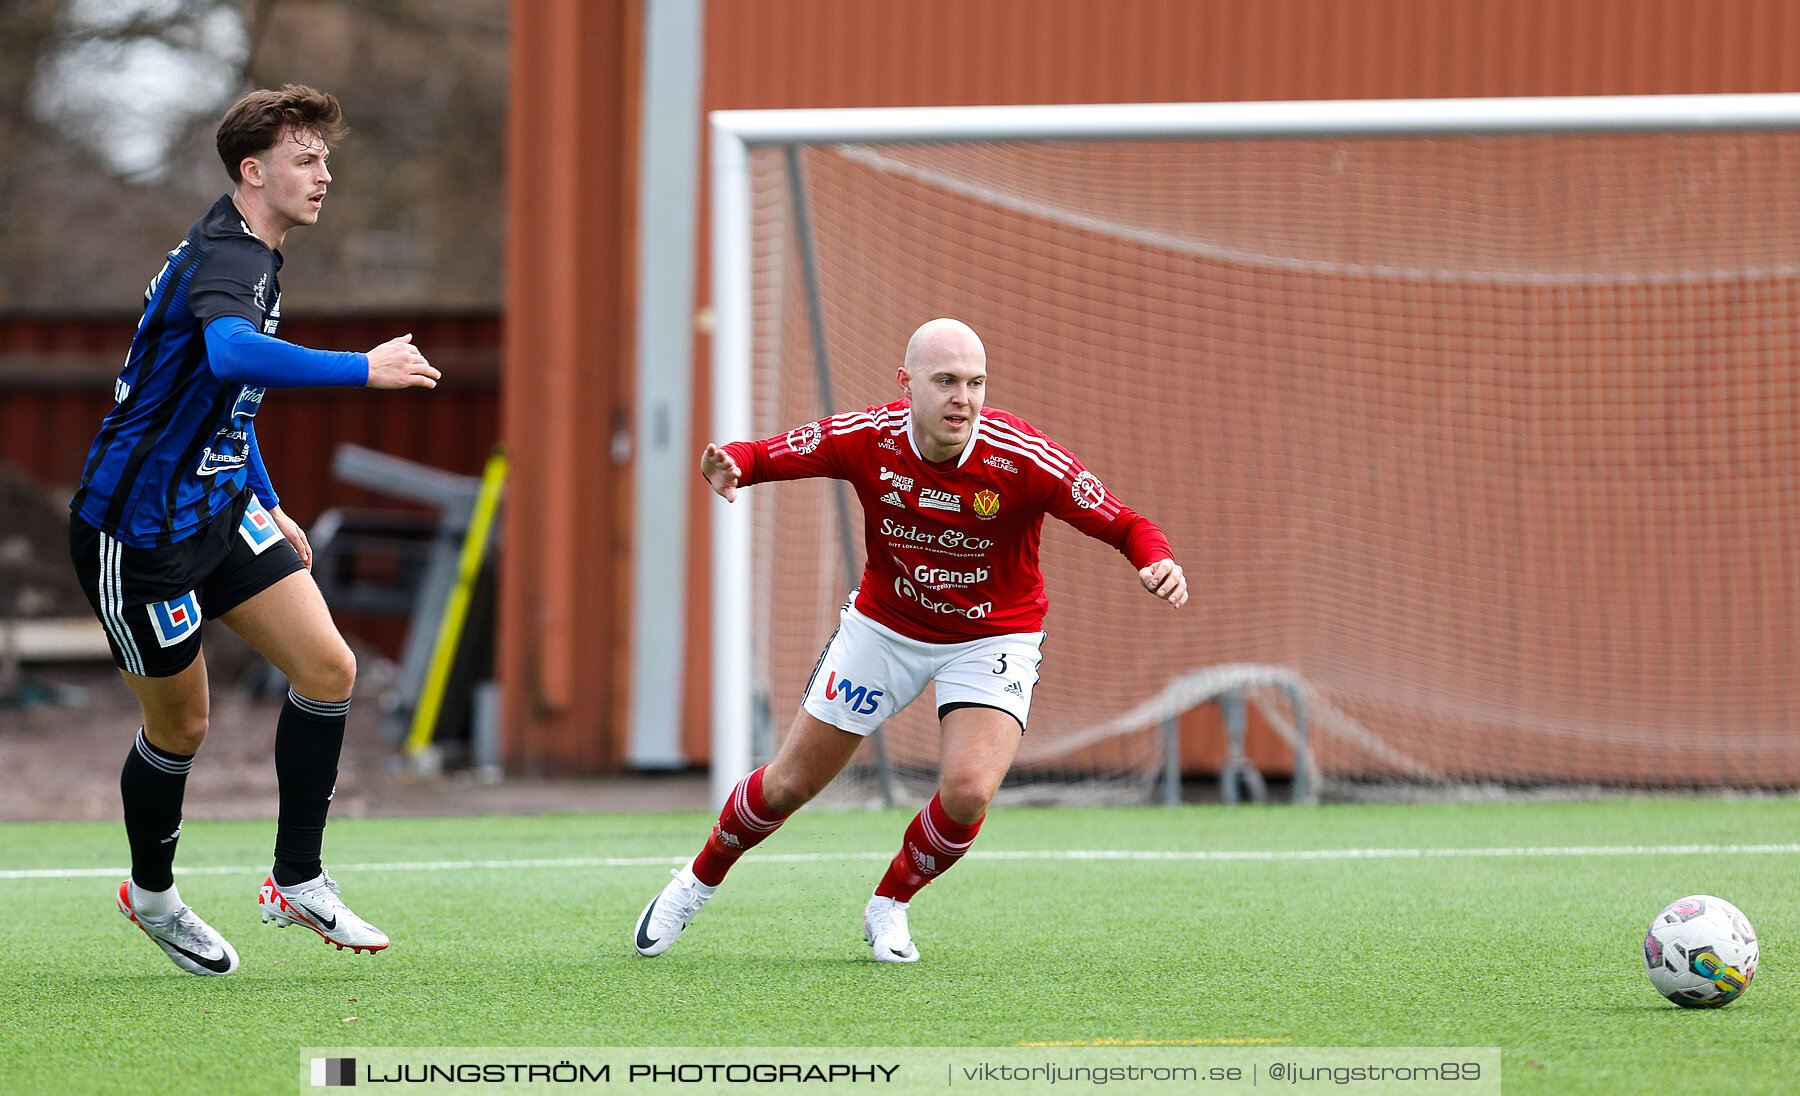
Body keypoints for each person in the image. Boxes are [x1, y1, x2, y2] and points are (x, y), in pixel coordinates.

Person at [634, 317, 1187, 962]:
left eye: (976, 383)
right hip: (884, 632)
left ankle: (889, 904)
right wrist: (735, 464)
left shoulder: (1022, 456)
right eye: (947, 381)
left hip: (992, 637)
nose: (964, 399)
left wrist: (1156, 558)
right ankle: (692, 884)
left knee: (970, 791)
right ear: (907, 384)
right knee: (788, 784)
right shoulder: (870, 438)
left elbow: (1124, 520)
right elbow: (779, 450)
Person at [68, 85, 440, 976]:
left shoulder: (255, 254)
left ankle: (297, 879)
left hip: (219, 505)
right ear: (253, 170)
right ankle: (153, 898)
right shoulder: (229, 259)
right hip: (138, 535)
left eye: (325, 158)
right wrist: (365, 367)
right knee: (182, 728)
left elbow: (225, 395)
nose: (324, 174)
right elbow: (235, 352)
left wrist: (264, 495)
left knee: (328, 666)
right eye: (306, 158)